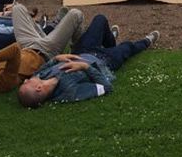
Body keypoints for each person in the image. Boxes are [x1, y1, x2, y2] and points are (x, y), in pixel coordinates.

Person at [17, 15, 159, 107]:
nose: (26, 80)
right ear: (39, 88)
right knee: (127, 47)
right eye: (27, 83)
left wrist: (56, 59)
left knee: (100, 19)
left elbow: (48, 64)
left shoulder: (40, 76)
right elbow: (107, 88)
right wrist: (85, 67)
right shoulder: (70, 92)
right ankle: (146, 41)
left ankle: (110, 39)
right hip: (104, 60)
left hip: (83, 50)